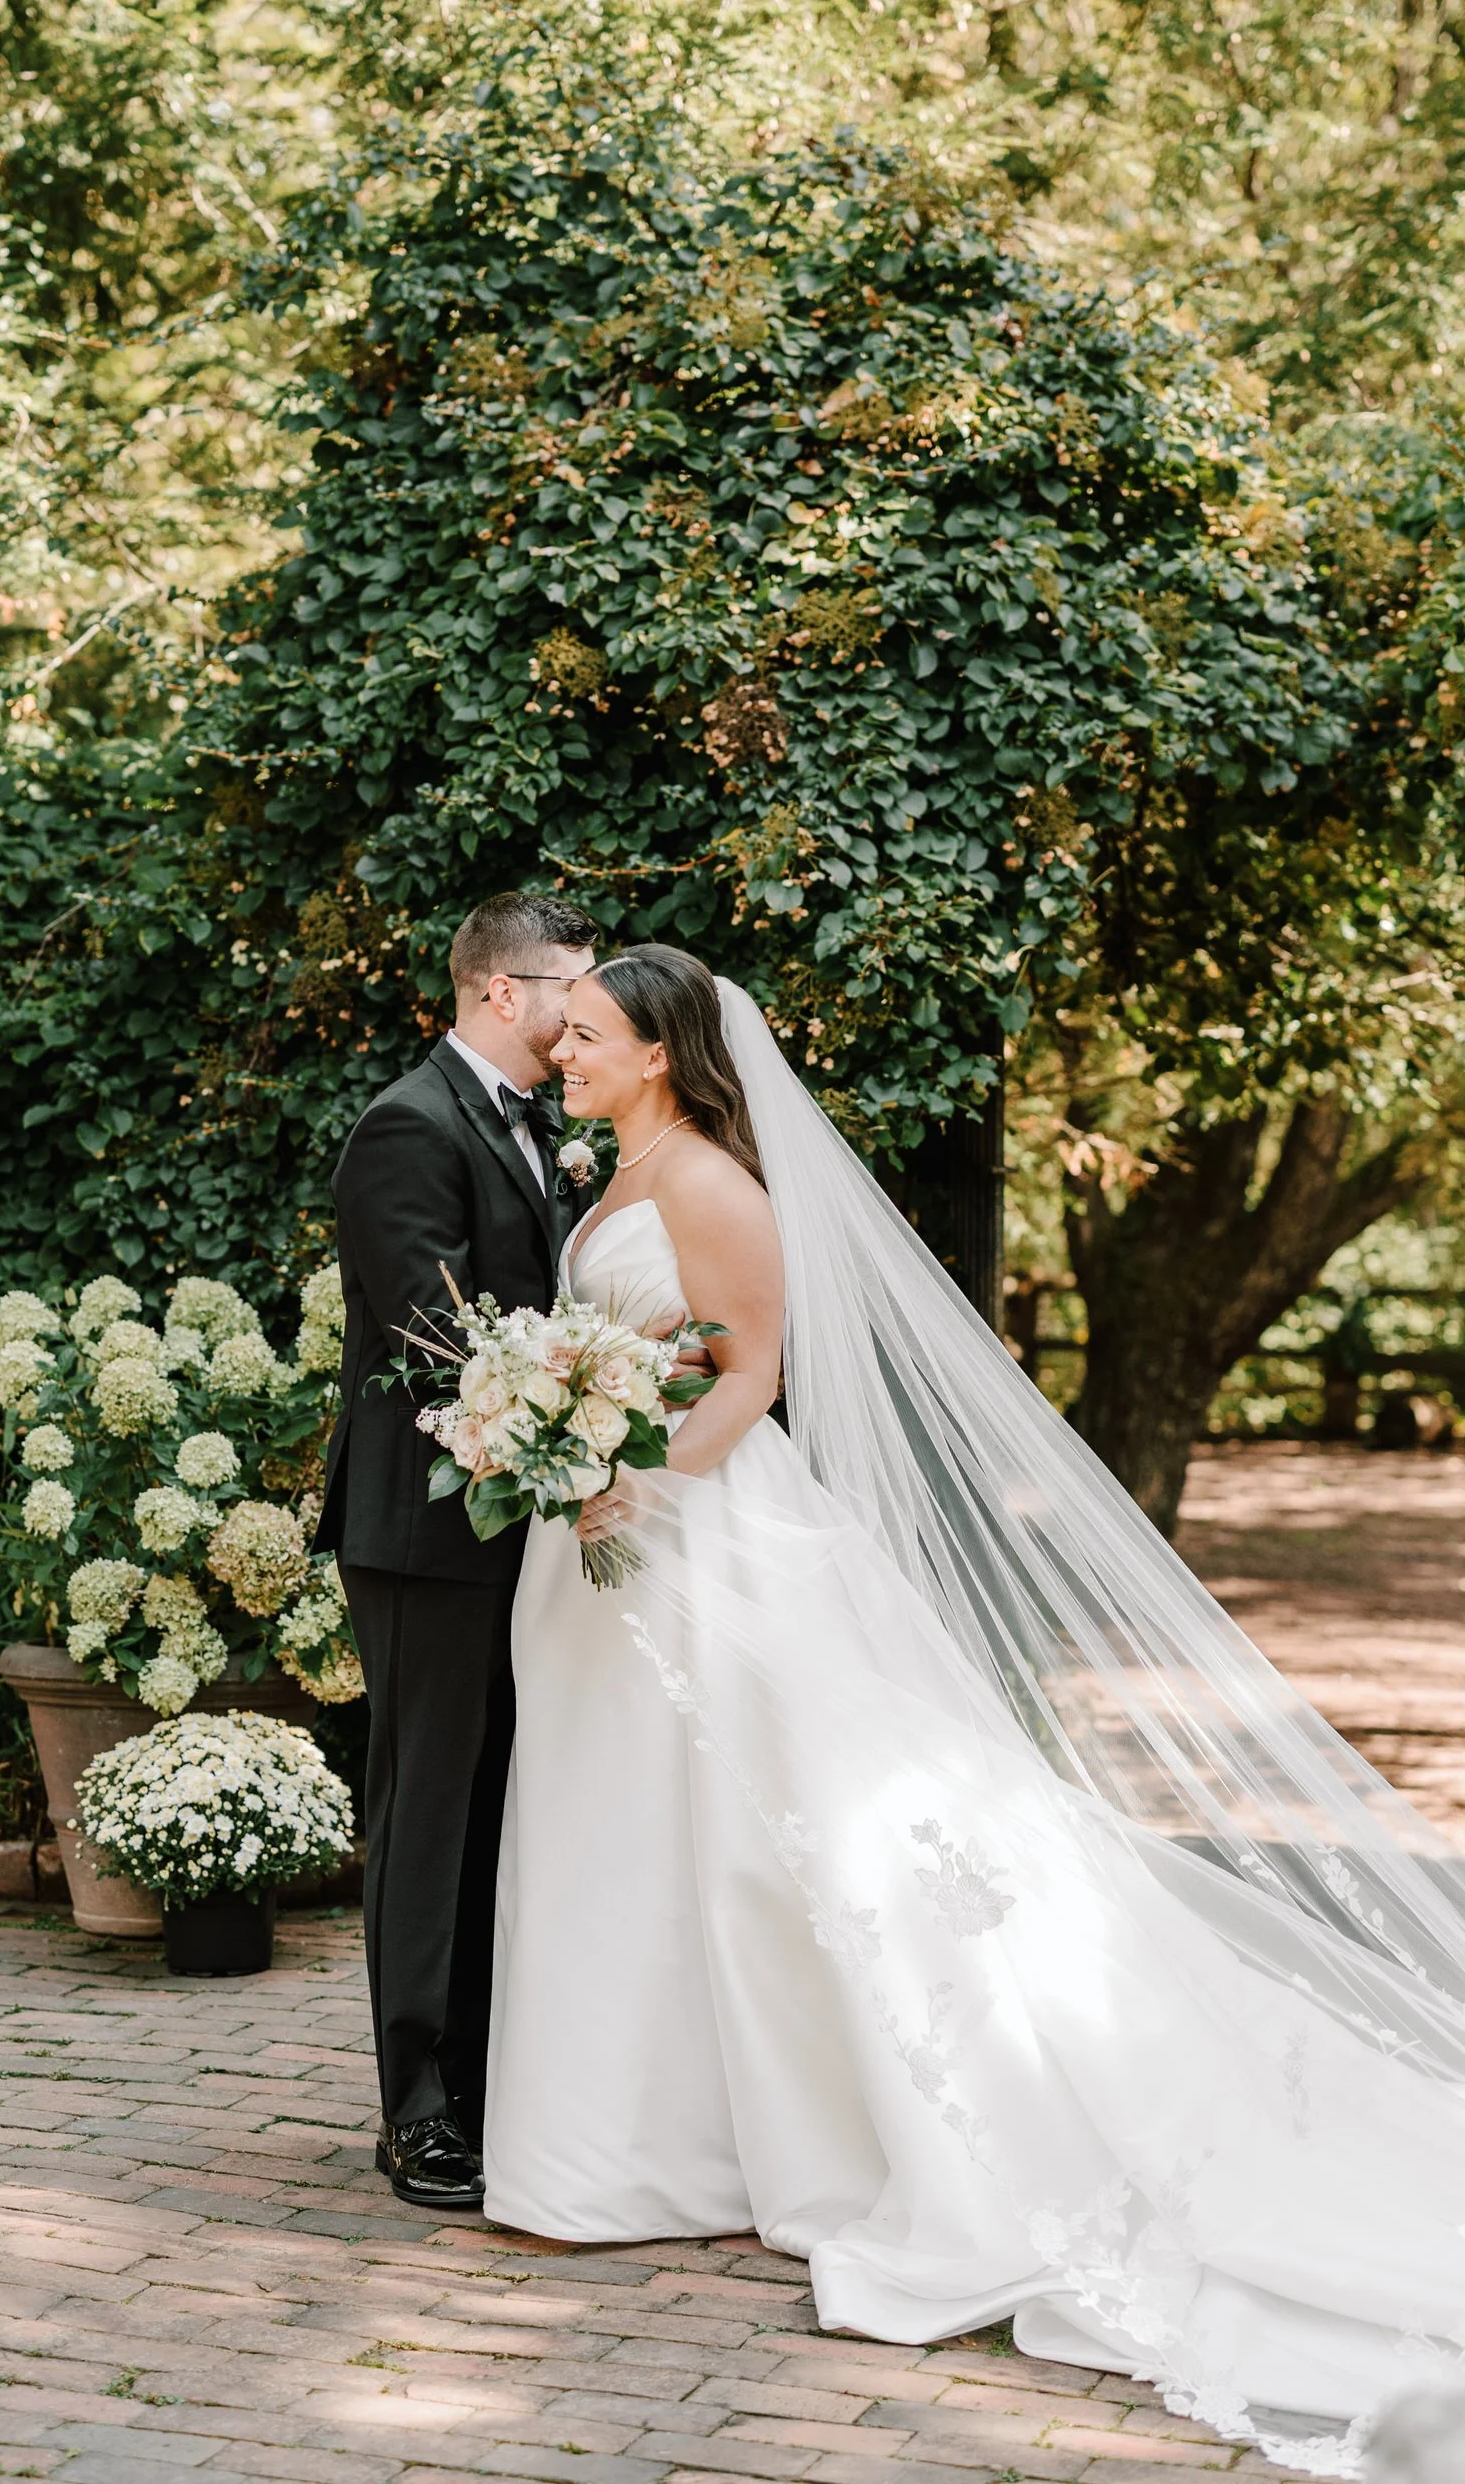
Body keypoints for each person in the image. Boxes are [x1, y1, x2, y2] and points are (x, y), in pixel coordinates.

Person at [485, 943, 1465, 2476]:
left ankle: (790, 2146)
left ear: (664, 1054)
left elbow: (751, 1374)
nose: (565, 1050)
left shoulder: (710, 1186)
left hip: (699, 1539)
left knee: (772, 1849)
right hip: (604, 1553)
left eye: (592, 1034)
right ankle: (644, 2153)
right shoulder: (618, 1177)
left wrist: (630, 1478)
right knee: (642, 1842)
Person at [314, 891, 599, 2208]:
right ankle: (415, 2106)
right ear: (501, 991)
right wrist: (581, 1420)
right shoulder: (406, 1126)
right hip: (427, 1535)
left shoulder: (533, 1124)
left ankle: (484, 2083)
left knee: (491, 1809)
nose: (579, 1011)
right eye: (566, 988)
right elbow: (439, 1340)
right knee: (428, 1812)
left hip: (510, 1523)